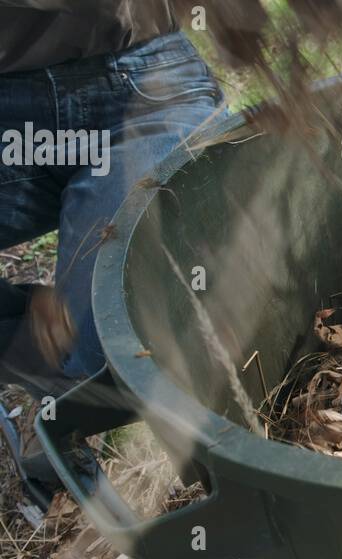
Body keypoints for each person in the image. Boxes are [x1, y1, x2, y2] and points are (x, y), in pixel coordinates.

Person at [0, 1, 225, 503]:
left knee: (118, 338)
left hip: (142, 84)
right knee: (88, 361)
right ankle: (38, 355)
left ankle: (69, 367)